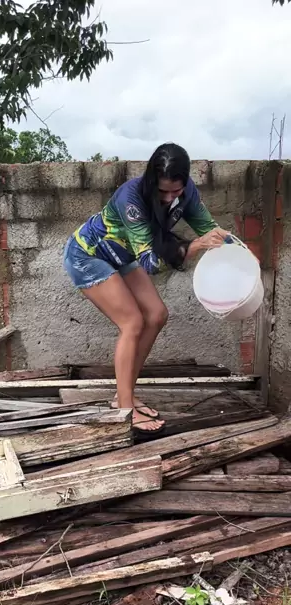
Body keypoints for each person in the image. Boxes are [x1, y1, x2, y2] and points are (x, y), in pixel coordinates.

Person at [63, 142, 228, 434]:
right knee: (132, 322)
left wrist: (240, 252)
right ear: (152, 180)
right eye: (162, 191)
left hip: (122, 254)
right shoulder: (131, 198)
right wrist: (193, 246)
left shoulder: (187, 193)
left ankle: (123, 394)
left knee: (157, 314)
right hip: (88, 254)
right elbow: (150, 263)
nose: (168, 198)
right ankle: (126, 410)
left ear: (185, 183)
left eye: (175, 191)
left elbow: (210, 230)